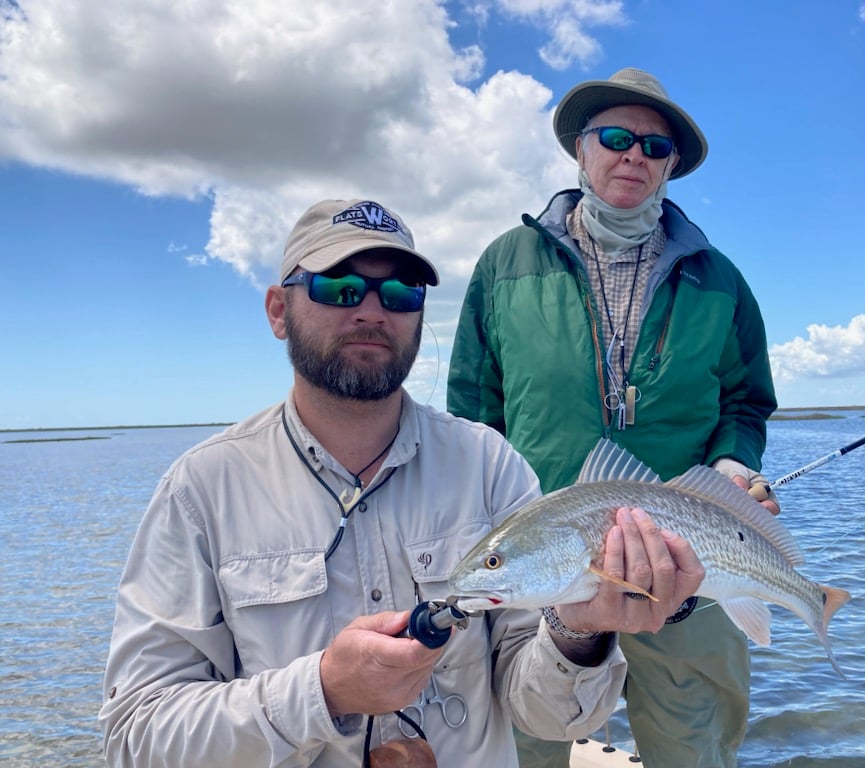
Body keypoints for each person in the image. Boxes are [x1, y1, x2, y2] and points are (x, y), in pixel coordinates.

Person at [98, 197, 706, 768]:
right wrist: (322, 691)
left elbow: (545, 715)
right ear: (278, 311)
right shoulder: (201, 488)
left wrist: (581, 629)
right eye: (338, 287)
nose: (371, 310)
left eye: (399, 291)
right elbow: (134, 737)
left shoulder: (489, 464)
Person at [447, 68, 778, 768]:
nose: (635, 155)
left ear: (671, 167)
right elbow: (473, 414)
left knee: (695, 746)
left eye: (656, 147)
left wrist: (732, 464)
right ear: (580, 147)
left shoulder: (721, 280)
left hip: (692, 567)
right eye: (617, 137)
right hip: (541, 559)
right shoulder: (505, 265)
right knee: (522, 744)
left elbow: (746, 402)